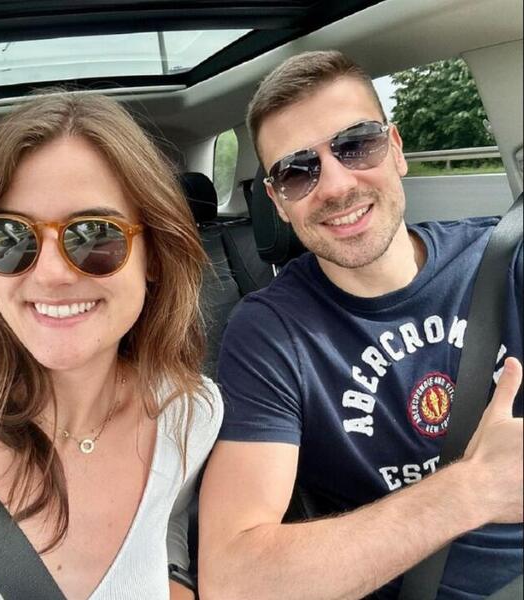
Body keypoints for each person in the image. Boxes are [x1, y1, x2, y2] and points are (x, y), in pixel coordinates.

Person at [199, 50, 523, 599]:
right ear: (278, 202)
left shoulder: (507, 258)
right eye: (297, 171)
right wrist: (473, 490)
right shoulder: (269, 333)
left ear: (396, 149)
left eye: (356, 144)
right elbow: (235, 581)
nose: (334, 185)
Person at [0, 91, 222, 600]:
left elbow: (166, 523)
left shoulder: (190, 413)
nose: (51, 274)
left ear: (154, 256)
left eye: (94, 235)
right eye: (9, 238)